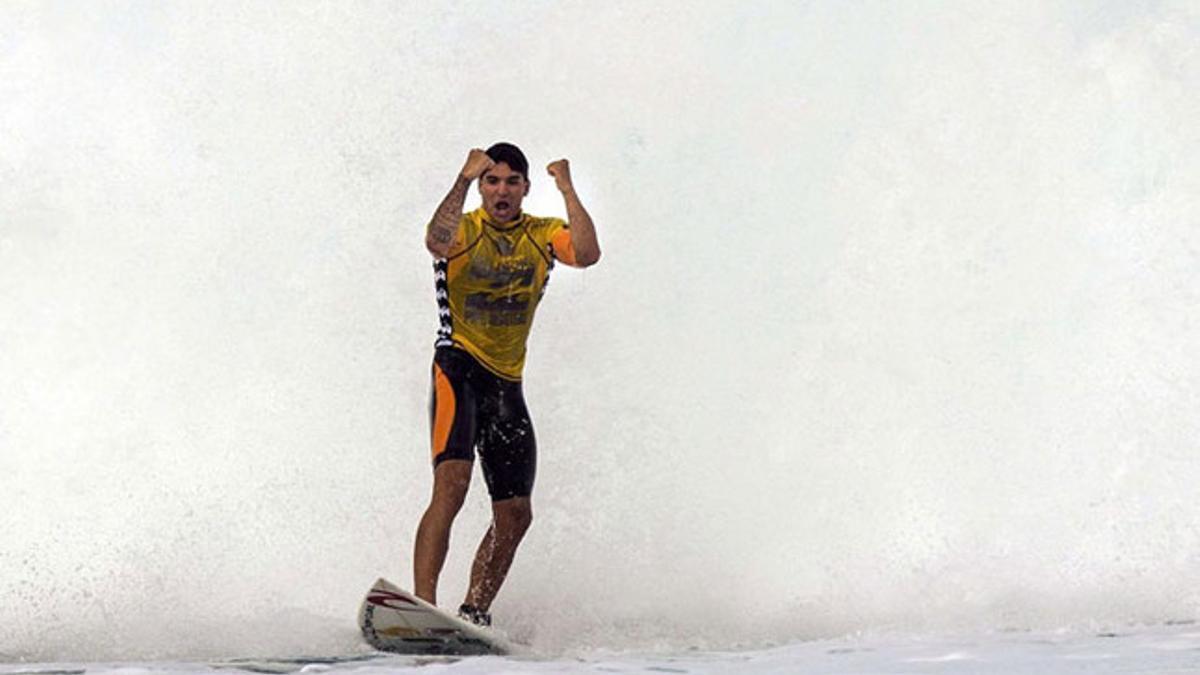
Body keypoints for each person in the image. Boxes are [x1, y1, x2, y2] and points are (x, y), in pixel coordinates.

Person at [413, 142, 600, 627]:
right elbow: (436, 241)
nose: (501, 191)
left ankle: (473, 612)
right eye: (491, 181)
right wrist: (460, 180)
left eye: (511, 182)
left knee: (516, 514)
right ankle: (421, 608)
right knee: (451, 487)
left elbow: (588, 253)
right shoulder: (465, 230)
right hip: (458, 368)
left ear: (524, 188)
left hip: (506, 385)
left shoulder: (540, 235)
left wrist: (567, 188)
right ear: (481, 186)